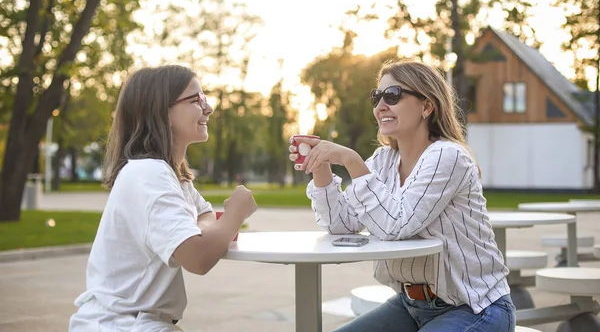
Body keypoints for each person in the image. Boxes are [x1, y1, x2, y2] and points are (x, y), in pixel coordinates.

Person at [289, 61, 515, 331]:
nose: (380, 106)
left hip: (475, 307)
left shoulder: (447, 156)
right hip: (409, 306)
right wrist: (322, 168)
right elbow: (342, 225)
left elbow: (396, 225)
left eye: (392, 95)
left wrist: (350, 160)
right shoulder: (384, 160)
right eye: (377, 97)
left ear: (427, 106)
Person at [69, 65, 257, 331]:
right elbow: (198, 258)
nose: (208, 108)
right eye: (195, 100)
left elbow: (203, 215)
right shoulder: (149, 173)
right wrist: (235, 213)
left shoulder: (171, 176)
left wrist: (203, 231)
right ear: (162, 112)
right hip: (123, 324)